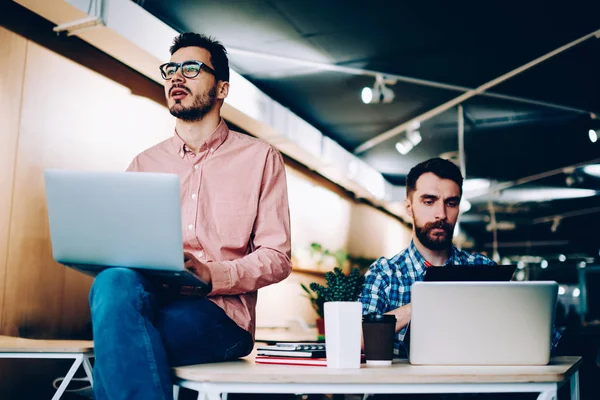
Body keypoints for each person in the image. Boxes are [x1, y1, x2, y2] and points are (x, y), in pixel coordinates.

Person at [89, 32, 292, 400]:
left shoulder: (261, 159)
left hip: (219, 315)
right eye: (171, 69)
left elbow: (277, 258)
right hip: (150, 299)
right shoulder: (144, 163)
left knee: (126, 340)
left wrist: (210, 273)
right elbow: (125, 247)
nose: (176, 77)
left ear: (222, 89)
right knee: (111, 282)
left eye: (192, 68)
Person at [360, 157, 561, 358]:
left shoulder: (484, 269)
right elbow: (356, 340)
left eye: (451, 203)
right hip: (402, 389)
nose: (441, 214)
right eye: (429, 202)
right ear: (409, 207)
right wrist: (425, 303)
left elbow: (547, 344)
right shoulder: (385, 273)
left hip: (471, 386)